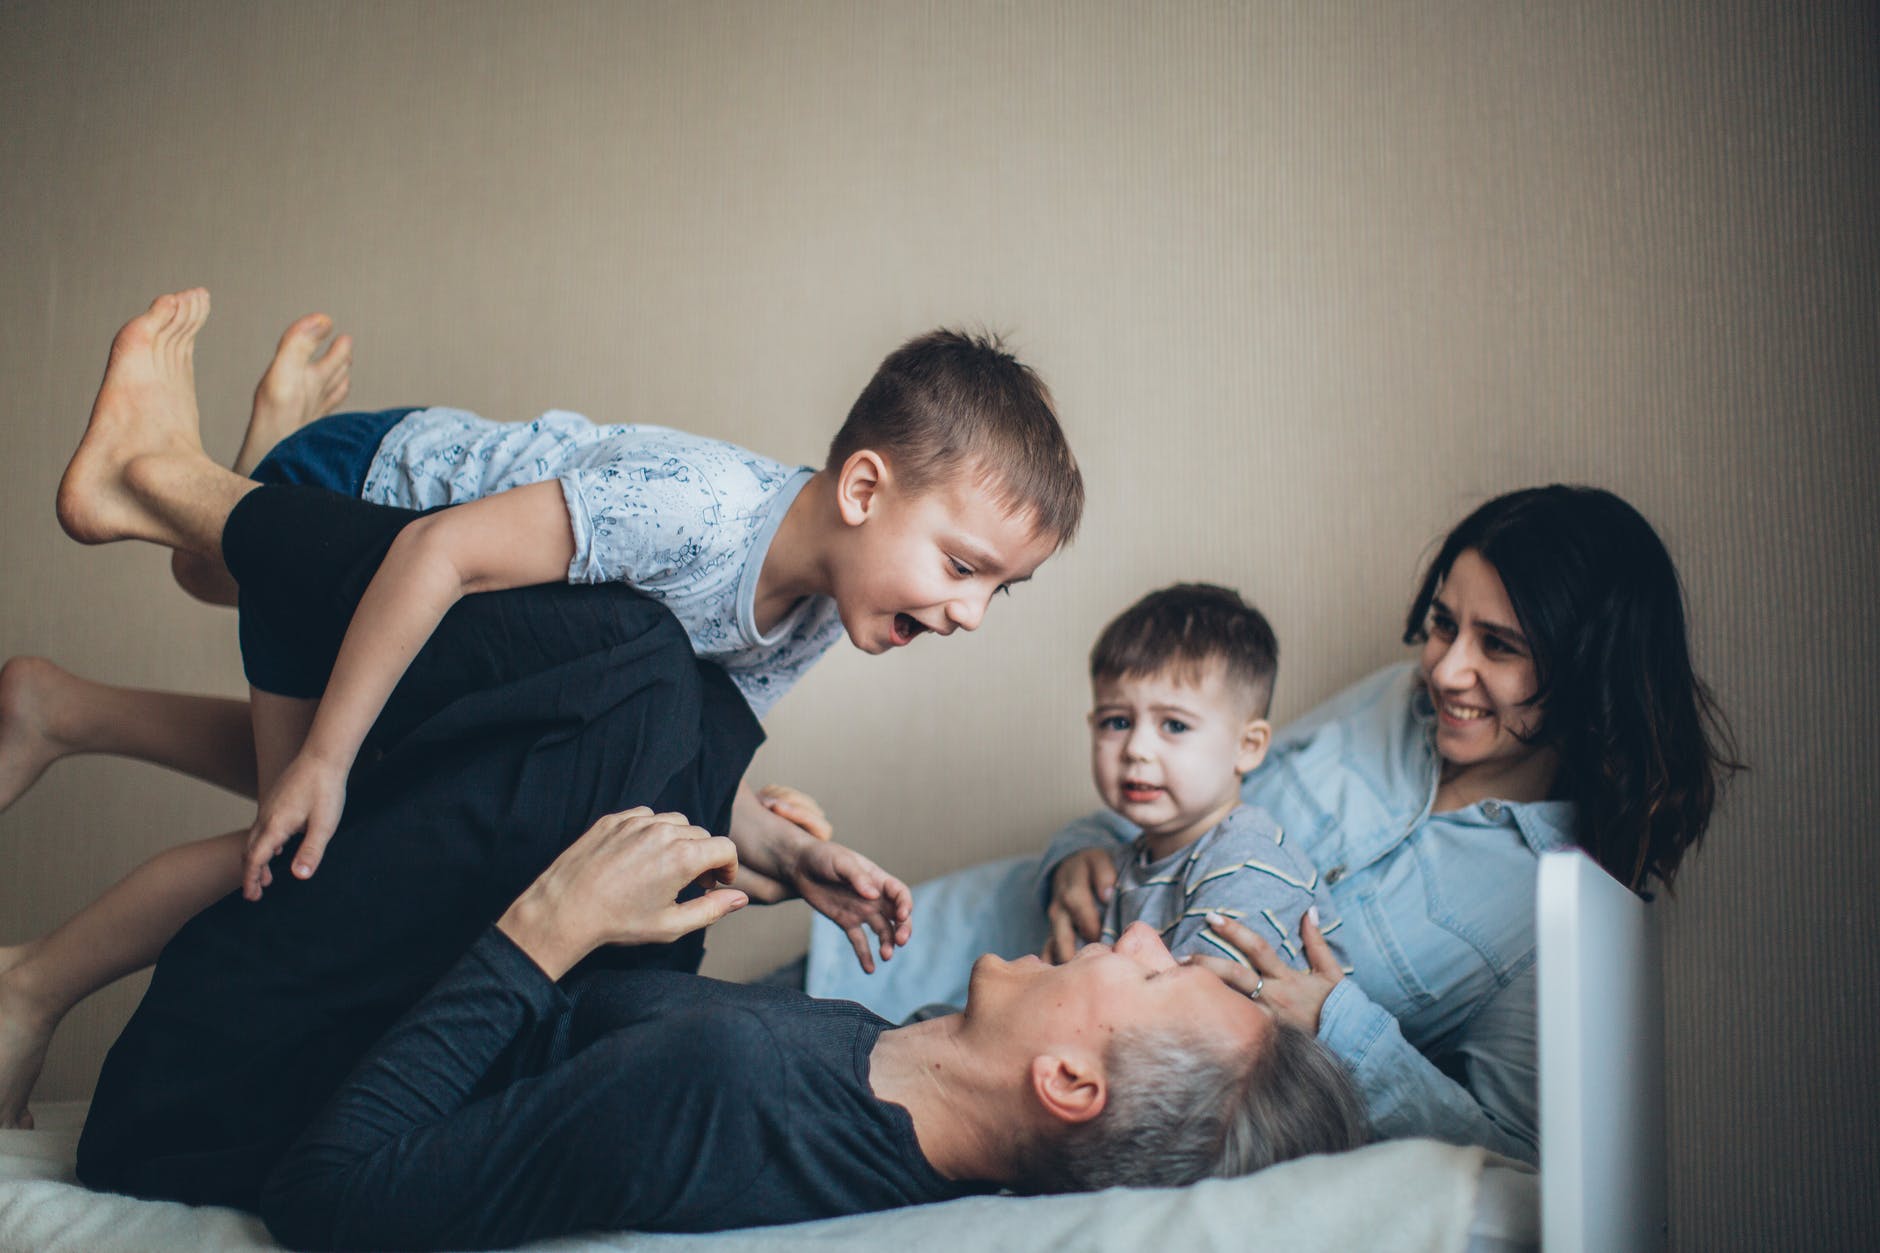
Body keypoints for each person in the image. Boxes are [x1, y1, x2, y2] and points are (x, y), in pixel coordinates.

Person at [0, 287, 1082, 1125]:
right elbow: (434, 553)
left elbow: (681, 757)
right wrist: (324, 756)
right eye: (958, 565)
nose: (970, 613)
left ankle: (64, 702)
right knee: (297, 838)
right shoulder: (699, 512)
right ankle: (29, 984)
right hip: (370, 499)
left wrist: (788, 856)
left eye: (997, 588)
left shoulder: (805, 613)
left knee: (312, 728)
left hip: (437, 614)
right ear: (859, 490)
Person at [808, 485, 1740, 1165]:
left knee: (769, 1110)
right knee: (727, 1024)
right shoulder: (1388, 705)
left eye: (1499, 647)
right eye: (1444, 624)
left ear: (1587, 671)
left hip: (1041, 1078)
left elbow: (1514, 1156)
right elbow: (1192, 784)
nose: (1447, 669)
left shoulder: (1561, 902)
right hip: (951, 937)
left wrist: (1347, 1029)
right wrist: (1074, 855)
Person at [258, 806, 1369, 1251]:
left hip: (267, 1075)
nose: (1140, 936)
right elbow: (587, 1060)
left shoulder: (736, 1090)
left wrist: (542, 931)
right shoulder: (906, 1074)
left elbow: (326, 1194)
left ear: (1071, 1081)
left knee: (636, 665)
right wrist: (750, 867)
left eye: (1155, 974)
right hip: (389, 984)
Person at [1072, 582, 1339, 966]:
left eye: (1175, 726)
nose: (1136, 749)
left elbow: (1195, 1013)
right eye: (1116, 721)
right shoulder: (1129, 863)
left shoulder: (1247, 862)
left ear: (1247, 747)